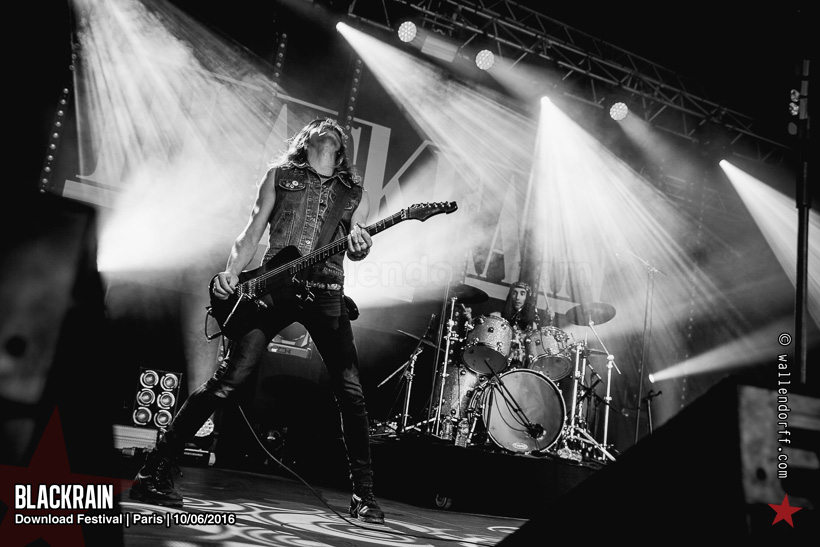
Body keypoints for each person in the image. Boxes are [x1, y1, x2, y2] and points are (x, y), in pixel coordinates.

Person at [129, 118, 385, 524]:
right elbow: (251, 232)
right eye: (320, 126)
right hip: (274, 288)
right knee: (229, 379)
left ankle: (364, 495)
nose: (329, 127)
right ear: (306, 139)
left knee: (351, 392)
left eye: (336, 129)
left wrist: (360, 248)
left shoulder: (355, 194)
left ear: (342, 149)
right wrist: (232, 273)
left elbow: (356, 247)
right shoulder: (279, 176)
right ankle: (153, 471)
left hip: (326, 293)